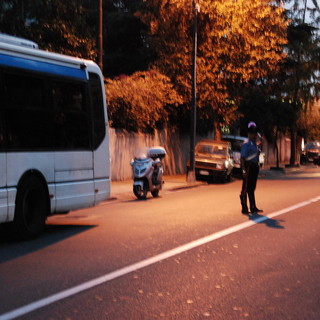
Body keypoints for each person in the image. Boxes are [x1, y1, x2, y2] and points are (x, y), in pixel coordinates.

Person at [239, 122, 263, 214]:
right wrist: (244, 170)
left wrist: (260, 140)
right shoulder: (246, 143)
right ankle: (244, 208)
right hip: (248, 167)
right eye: (253, 133)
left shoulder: (254, 144)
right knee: (245, 187)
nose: (254, 135)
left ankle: (253, 207)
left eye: (255, 133)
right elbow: (242, 158)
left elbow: (259, 151)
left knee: (252, 187)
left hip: (254, 167)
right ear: (249, 134)